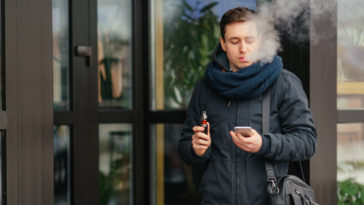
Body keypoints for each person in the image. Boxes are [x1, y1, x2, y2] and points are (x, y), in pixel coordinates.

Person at [178, 6, 317, 205]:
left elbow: (307, 142)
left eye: (249, 40)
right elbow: (184, 146)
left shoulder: (284, 83)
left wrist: (264, 144)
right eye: (234, 41)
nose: (243, 48)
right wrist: (196, 149)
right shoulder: (206, 87)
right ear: (223, 44)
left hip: (268, 200)